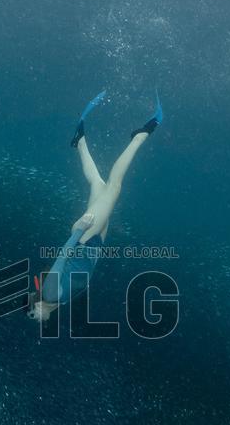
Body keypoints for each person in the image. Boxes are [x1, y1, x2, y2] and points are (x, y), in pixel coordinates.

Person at [27, 91, 162, 321]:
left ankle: (140, 136)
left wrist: (79, 230)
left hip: (84, 236)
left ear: (36, 305)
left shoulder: (49, 294)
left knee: (114, 186)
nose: (36, 318)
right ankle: (80, 142)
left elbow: (61, 258)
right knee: (98, 184)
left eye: (32, 314)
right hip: (93, 242)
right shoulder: (57, 302)